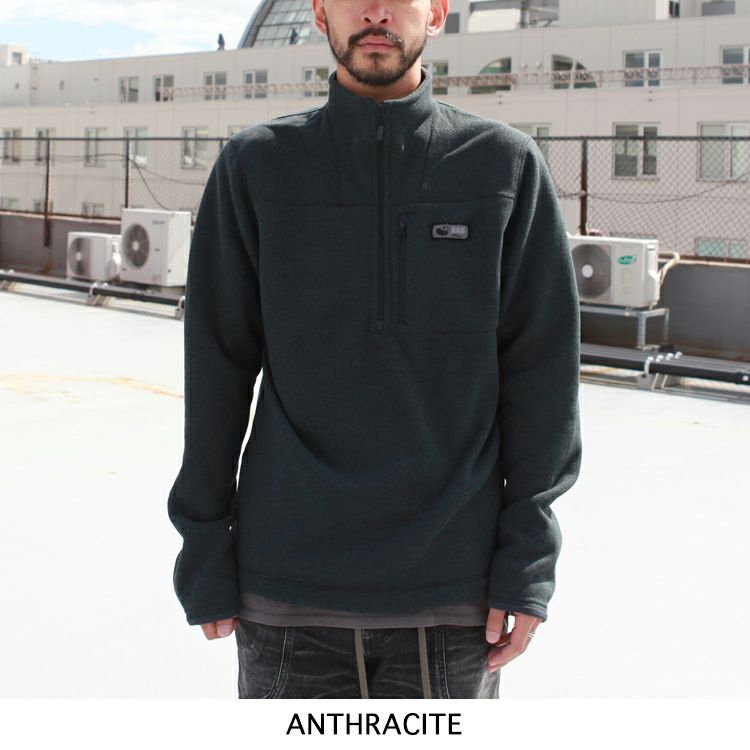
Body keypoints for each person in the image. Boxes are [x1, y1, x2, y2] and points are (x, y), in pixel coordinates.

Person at [167, 0, 583, 699]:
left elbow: (543, 378)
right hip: (285, 591)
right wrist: (204, 544)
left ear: (438, 13)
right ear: (320, 13)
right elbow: (216, 369)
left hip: (455, 596)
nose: (377, 11)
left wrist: (528, 561)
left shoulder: (504, 165)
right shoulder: (256, 165)